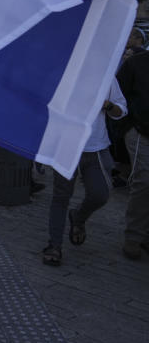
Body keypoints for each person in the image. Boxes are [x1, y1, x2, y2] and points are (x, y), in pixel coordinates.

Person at [43, 80, 126, 266]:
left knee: (101, 194)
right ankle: (54, 245)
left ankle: (78, 217)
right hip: (65, 146)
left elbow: (121, 110)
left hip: (95, 148)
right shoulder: (65, 70)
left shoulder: (107, 75)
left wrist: (108, 105)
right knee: (61, 197)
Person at [117, 46, 149, 260]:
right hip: (141, 133)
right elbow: (119, 95)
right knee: (144, 181)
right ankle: (133, 237)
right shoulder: (135, 63)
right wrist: (128, 129)